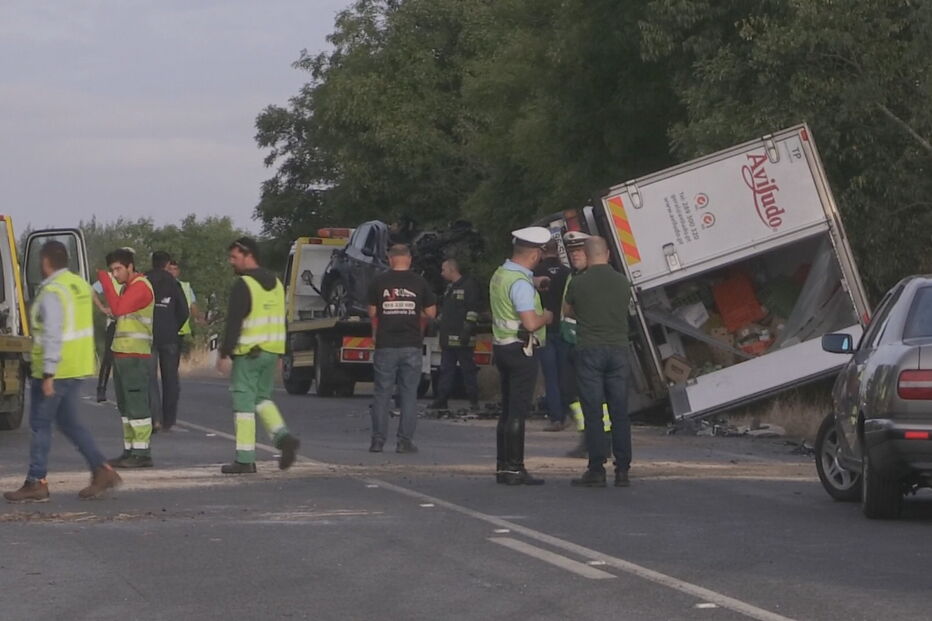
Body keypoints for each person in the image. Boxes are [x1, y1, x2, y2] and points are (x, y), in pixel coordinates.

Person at [4, 241, 122, 502]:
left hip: (55, 370)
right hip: (76, 366)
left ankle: (37, 481)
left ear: (46, 262)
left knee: (40, 425)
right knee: (69, 423)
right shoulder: (78, 284)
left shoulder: (52, 291)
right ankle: (102, 470)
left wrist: (47, 374)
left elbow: (54, 333)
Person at [217, 237, 300, 474]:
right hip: (271, 351)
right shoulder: (275, 282)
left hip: (249, 353)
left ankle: (245, 459)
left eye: (234, 257)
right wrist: (284, 352)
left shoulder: (244, 284)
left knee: (243, 403)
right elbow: (281, 319)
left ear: (247, 254)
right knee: (262, 398)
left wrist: (224, 353)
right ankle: (283, 437)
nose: (231, 261)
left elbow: (234, 321)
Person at [563, 236, 633, 488]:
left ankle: (596, 469)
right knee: (619, 412)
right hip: (618, 350)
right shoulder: (622, 282)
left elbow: (567, 312)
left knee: (593, 412)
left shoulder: (579, 283)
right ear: (608, 254)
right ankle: (623, 469)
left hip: (589, 350)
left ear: (587, 255)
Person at [490, 227, 553, 486]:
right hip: (521, 349)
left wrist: (535, 283)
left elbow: (515, 288)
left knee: (506, 411)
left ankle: (503, 466)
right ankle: (516, 469)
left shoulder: (502, 274)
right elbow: (529, 322)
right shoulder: (520, 284)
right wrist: (546, 316)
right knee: (517, 411)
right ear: (535, 255)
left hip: (502, 347)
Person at [367, 244, 437, 454]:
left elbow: (372, 312)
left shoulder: (379, 282)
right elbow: (432, 312)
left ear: (390, 259)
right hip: (411, 345)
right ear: (409, 259)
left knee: (382, 394)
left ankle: (377, 441)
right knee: (408, 395)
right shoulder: (419, 282)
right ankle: (404, 441)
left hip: (385, 344)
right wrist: (416, 314)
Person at [98, 248, 156, 468]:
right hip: (122, 354)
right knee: (125, 407)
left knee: (137, 405)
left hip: (135, 355)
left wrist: (105, 282)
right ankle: (130, 450)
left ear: (131, 267)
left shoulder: (141, 287)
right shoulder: (128, 288)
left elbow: (119, 308)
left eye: (118, 269)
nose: (115, 274)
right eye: (112, 270)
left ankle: (142, 453)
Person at [429, 258, 481, 411]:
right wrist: (437, 322)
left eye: (443, 270)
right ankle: (441, 399)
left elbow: (473, 309)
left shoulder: (469, 286)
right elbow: (447, 310)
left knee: (468, 370)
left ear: (452, 270)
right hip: (448, 337)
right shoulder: (449, 288)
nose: (441, 273)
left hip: (463, 338)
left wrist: (468, 328)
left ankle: (473, 401)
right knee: (445, 370)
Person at [146, 251, 189, 433]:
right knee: (170, 379)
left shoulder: (143, 281)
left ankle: (154, 418)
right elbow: (184, 311)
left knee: (149, 378)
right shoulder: (174, 283)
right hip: (170, 337)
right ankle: (168, 421)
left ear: (153, 262)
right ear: (166, 264)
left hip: (148, 335)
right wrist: (173, 326)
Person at [534, 239, 571, 431]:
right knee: (565, 374)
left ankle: (556, 418)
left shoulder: (536, 273)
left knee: (551, 376)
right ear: (558, 250)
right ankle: (568, 412)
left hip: (544, 329)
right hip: (565, 329)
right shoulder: (567, 273)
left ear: (542, 250)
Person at [93, 246, 134, 403]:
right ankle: (101, 389)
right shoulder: (110, 277)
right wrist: (103, 308)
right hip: (114, 321)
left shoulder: (133, 279)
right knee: (108, 357)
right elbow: (92, 291)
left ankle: (125, 390)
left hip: (129, 323)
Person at [167, 260, 199, 356]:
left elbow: (193, 305)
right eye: (170, 269)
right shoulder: (160, 285)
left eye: (175, 269)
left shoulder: (185, 287)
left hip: (179, 330)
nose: (172, 271)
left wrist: (198, 318)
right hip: (162, 328)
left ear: (178, 271)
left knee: (173, 361)